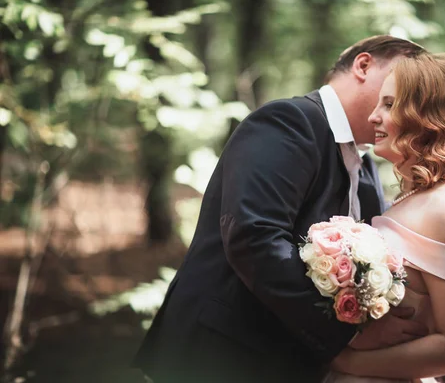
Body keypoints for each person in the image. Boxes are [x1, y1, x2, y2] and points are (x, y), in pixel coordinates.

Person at [132, 36, 428, 383]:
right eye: (399, 86)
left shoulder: (365, 168)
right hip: (220, 355)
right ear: (363, 65)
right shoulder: (289, 121)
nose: (405, 103)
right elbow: (254, 237)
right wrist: (348, 335)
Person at [327, 52, 445, 382]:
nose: (373, 116)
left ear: (424, 114)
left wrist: (347, 362)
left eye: (388, 104)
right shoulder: (413, 199)